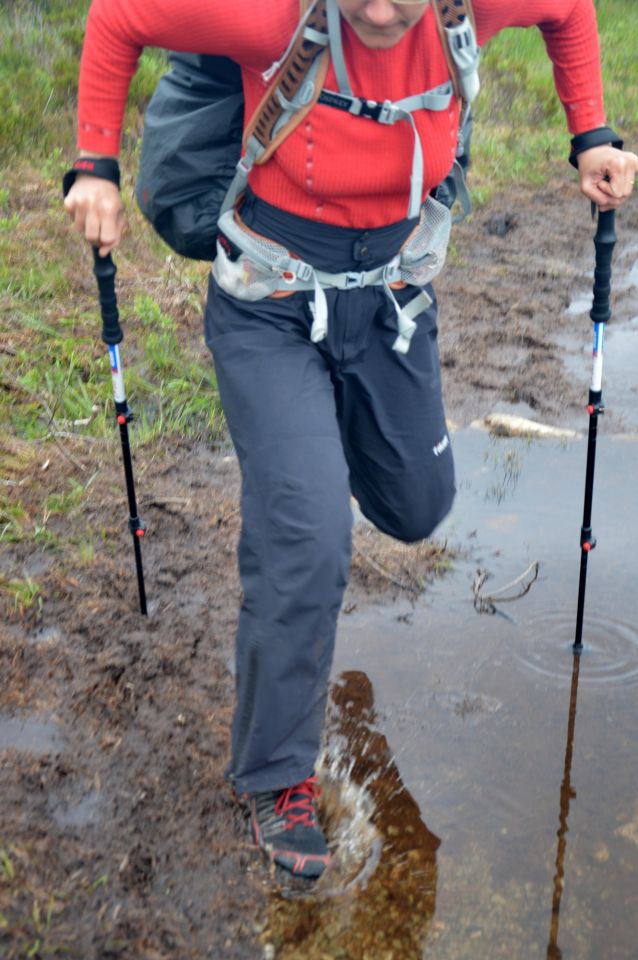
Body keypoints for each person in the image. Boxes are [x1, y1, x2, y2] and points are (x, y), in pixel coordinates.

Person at [64, 0, 637, 880]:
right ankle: (275, 776)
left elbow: (572, 11)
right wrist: (91, 164)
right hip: (269, 303)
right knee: (310, 535)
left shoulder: (472, 11)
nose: (378, 10)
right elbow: (116, 16)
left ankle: (318, 452)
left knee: (418, 507)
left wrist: (590, 132)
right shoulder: (266, 18)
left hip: (390, 302)